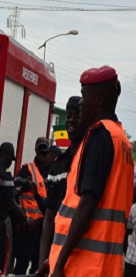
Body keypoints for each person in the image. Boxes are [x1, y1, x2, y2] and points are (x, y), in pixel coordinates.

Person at [46, 66, 134, 277]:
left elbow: (86, 205)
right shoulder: (122, 142)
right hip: (104, 265)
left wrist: (59, 263)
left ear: (99, 99)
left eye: (85, 96)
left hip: (82, 266)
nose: (81, 103)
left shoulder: (99, 136)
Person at [36, 96, 83, 270]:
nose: (71, 120)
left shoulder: (89, 161)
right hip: (56, 260)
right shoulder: (59, 165)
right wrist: (42, 262)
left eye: (77, 116)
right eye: (69, 116)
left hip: (80, 259)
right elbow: (49, 218)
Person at [0, 142, 33, 277]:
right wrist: (26, 219)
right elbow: (12, 205)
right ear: (7, 155)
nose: (10, 162)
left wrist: (14, 191)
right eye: (11, 158)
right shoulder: (5, 175)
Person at [12, 137, 52, 274]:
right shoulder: (27, 170)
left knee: (37, 265)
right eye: (41, 149)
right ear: (35, 150)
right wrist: (23, 219)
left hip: (43, 227)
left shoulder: (51, 172)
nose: (43, 153)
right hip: (29, 226)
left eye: (46, 150)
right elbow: (14, 196)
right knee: (22, 263)